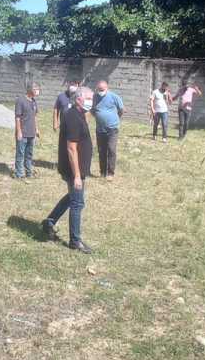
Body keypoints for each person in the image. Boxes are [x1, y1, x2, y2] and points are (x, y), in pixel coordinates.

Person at [43, 86, 95, 253]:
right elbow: (71, 148)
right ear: (79, 99)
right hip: (73, 169)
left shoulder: (79, 114)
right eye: (89, 98)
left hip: (77, 168)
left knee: (72, 197)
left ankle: (49, 222)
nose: (91, 101)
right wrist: (77, 175)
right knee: (77, 203)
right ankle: (75, 241)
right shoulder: (72, 117)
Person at [91, 80, 124, 180]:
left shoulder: (114, 97)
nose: (100, 91)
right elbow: (92, 110)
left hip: (112, 129)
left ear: (107, 88)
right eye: (99, 89)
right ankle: (103, 172)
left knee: (111, 149)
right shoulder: (95, 97)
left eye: (102, 90)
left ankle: (110, 173)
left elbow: (121, 109)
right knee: (101, 151)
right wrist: (98, 116)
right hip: (100, 129)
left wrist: (115, 119)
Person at [14, 81, 40, 179]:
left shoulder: (34, 101)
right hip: (23, 133)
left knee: (29, 154)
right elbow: (17, 118)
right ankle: (19, 174)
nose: (38, 91)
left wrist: (36, 129)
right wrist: (19, 132)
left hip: (31, 133)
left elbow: (35, 116)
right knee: (20, 154)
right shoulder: (20, 100)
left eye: (38, 89)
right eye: (36, 89)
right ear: (30, 90)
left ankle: (29, 172)